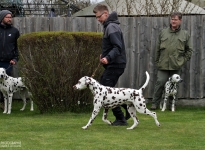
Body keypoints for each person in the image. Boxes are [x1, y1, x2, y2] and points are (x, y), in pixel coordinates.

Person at [93, 4, 130, 126]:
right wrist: (104, 55)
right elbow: (112, 46)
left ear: (105, 14)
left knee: (105, 91)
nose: (98, 19)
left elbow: (117, 47)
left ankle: (121, 119)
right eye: (96, 17)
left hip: (116, 63)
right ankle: (128, 107)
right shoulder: (109, 26)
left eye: (99, 16)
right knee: (107, 89)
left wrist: (108, 58)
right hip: (115, 63)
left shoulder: (111, 27)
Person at [150, 12, 192, 110]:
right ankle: (154, 103)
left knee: (175, 85)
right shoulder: (163, 32)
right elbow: (157, 49)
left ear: (180, 21)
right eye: (172, 19)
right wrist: (157, 62)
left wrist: (182, 61)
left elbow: (189, 50)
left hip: (176, 65)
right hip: (163, 64)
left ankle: (172, 105)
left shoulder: (185, 34)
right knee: (160, 82)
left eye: (175, 19)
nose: (173, 21)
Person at [0, 10, 20, 109]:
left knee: (6, 85)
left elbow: (18, 47)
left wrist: (15, 59)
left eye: (10, 17)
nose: (9, 19)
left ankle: (5, 104)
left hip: (7, 63)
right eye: (7, 17)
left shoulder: (14, 31)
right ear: (2, 18)